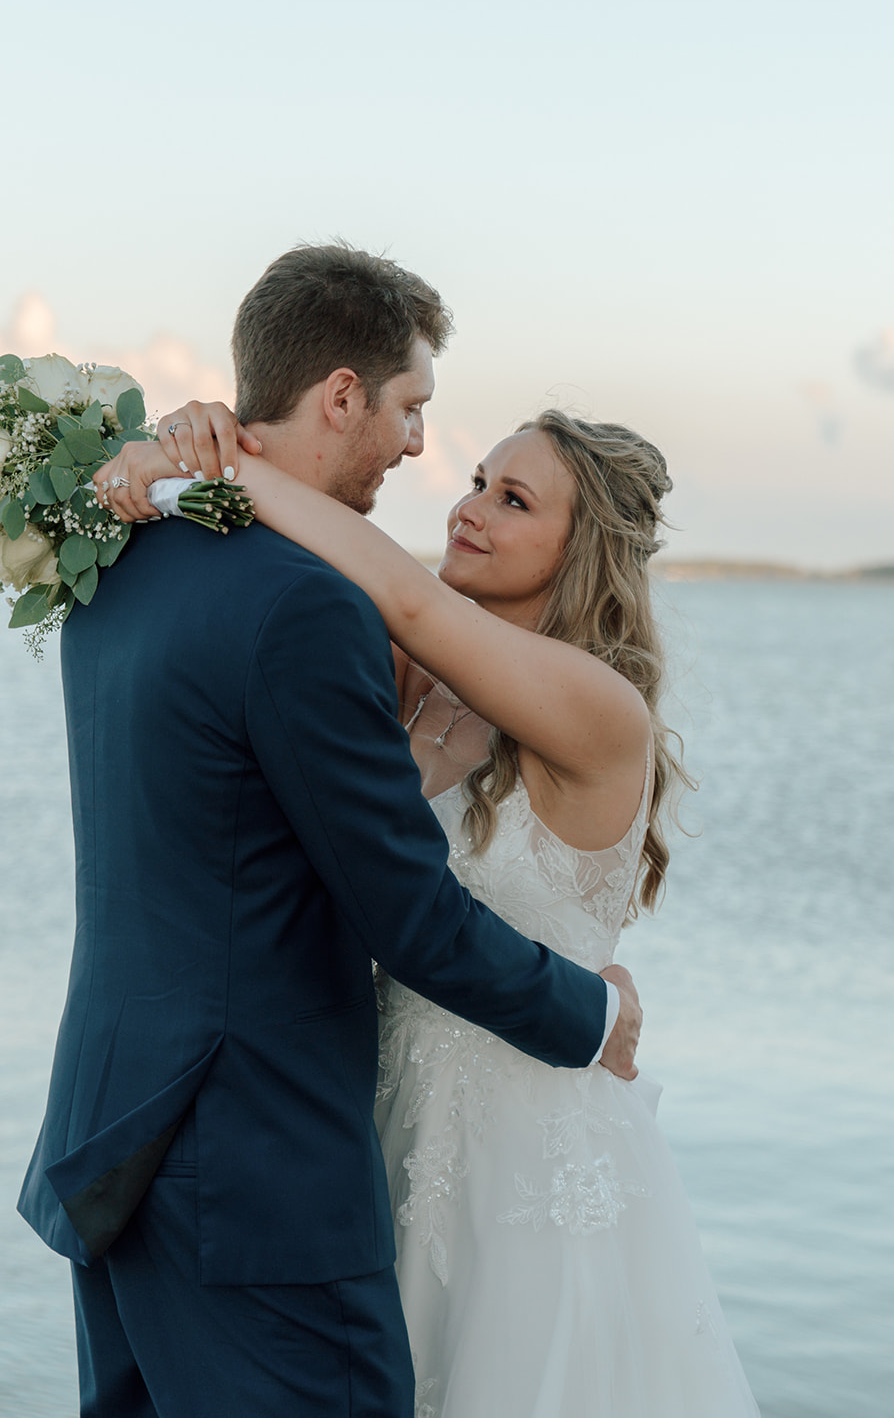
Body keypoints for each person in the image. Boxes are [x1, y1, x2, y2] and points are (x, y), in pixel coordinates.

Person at [17, 244, 642, 1418]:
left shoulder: (120, 556)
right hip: (257, 1174)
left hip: (117, 1142)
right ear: (343, 393)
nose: (423, 451)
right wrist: (594, 1010)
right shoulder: (309, 606)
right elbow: (405, 911)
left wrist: (194, 458)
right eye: (410, 408)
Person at [103, 391, 762, 1416]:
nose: (469, 510)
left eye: (510, 500)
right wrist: (187, 442)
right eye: (472, 482)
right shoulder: (408, 681)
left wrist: (238, 467)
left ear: (581, 548)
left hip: (527, 1161)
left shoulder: (597, 706)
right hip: (377, 1134)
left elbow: (407, 597)